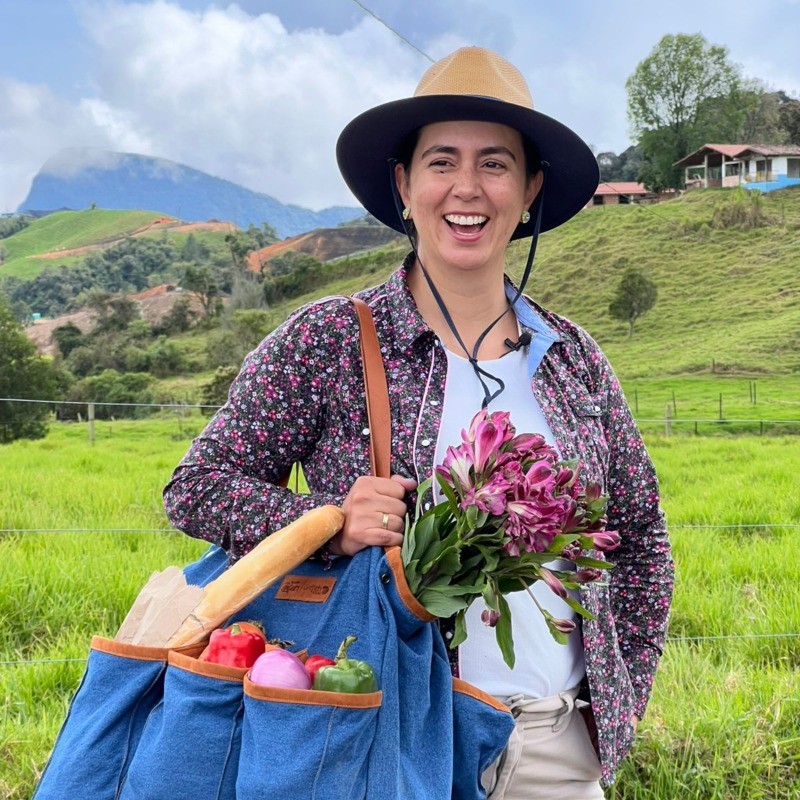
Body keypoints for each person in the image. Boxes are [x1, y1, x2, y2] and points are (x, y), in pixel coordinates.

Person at [164, 46, 673, 798]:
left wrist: (614, 710)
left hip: (555, 751)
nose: (467, 187)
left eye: (495, 164)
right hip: (385, 745)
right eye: (442, 162)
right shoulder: (331, 339)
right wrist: (329, 521)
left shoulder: (575, 359)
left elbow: (640, 536)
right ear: (404, 185)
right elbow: (196, 486)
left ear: (529, 189)